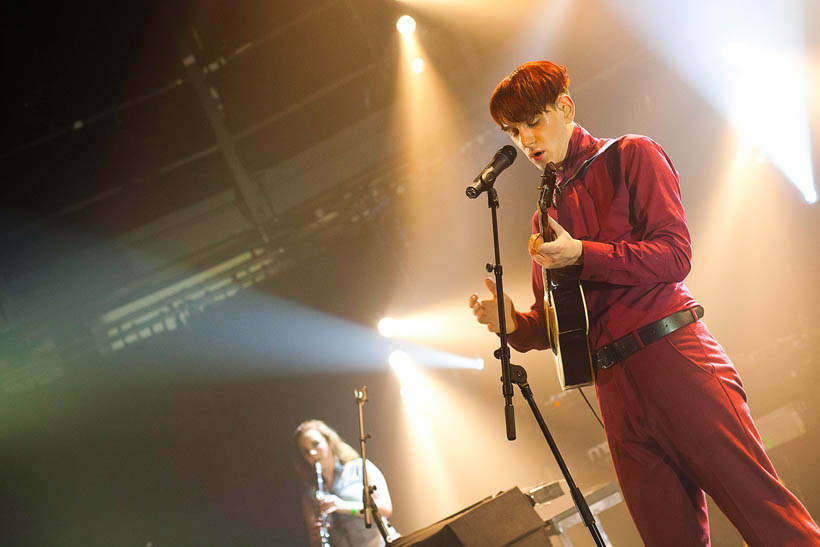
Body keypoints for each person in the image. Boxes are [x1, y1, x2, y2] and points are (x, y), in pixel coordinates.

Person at [468, 61, 820, 546]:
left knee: (768, 520)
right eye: (514, 130)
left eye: (532, 122)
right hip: (614, 387)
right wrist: (511, 323)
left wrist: (583, 254)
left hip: (674, 358)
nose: (525, 140)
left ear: (565, 108)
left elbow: (675, 255)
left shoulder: (631, 154)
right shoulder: (543, 214)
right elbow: (557, 323)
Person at [293, 419, 395, 547]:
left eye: (315, 444)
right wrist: (318, 537)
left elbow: (385, 508)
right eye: (305, 451)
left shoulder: (359, 467)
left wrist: (344, 506)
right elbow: (316, 544)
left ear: (329, 442)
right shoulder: (310, 497)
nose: (312, 453)